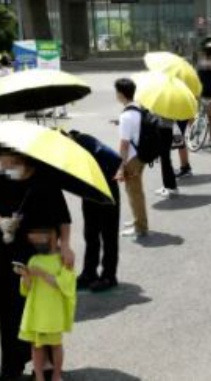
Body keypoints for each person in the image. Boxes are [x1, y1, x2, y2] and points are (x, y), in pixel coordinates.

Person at [0, 148, 74, 380]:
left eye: (3, 161)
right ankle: (12, 366)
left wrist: (65, 246)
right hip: (7, 251)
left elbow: (63, 217)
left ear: (17, 159)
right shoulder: (2, 179)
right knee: (10, 311)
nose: (1, 167)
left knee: (41, 310)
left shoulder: (45, 180)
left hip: (39, 253)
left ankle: (47, 367)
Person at [16, 227, 76, 381]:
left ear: (51, 235)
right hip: (36, 312)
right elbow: (27, 289)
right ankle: (40, 376)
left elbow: (64, 284)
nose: (32, 238)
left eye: (36, 234)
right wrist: (25, 277)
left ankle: (57, 374)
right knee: (36, 346)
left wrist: (41, 273)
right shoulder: (33, 260)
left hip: (53, 312)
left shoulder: (63, 259)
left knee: (56, 344)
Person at [68, 131, 123, 292]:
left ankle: (108, 276)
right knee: (90, 233)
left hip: (106, 190)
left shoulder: (84, 143)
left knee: (108, 235)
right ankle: (89, 272)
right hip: (90, 191)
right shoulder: (76, 145)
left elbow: (114, 159)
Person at [114, 78, 149, 239]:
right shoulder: (138, 108)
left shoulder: (126, 117)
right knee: (134, 191)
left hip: (132, 159)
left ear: (121, 94)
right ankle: (138, 220)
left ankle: (140, 227)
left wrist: (120, 167)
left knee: (134, 193)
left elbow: (124, 145)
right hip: (141, 155)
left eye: (117, 92)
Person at [155, 118, 180, 198]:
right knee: (164, 160)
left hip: (166, 130)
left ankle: (172, 187)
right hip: (163, 129)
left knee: (166, 160)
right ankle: (166, 186)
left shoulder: (168, 109)